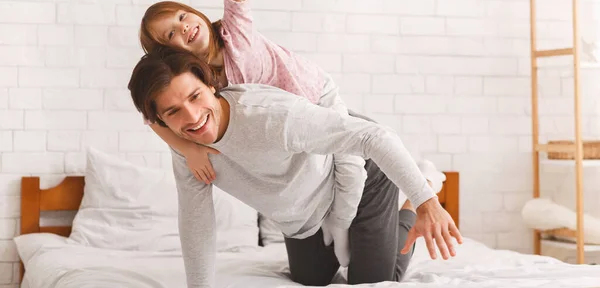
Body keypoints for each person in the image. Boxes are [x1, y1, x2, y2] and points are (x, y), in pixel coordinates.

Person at [138, 0, 367, 266]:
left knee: (352, 164)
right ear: (169, 53)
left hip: (316, 95)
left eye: (181, 17)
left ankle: (350, 221)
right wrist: (189, 148)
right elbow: (152, 116)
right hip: (294, 119)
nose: (184, 29)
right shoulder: (201, 85)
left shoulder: (234, 31)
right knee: (326, 170)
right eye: (171, 36)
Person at [127, 48, 463, 288]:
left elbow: (375, 136)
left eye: (195, 96)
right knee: (310, 279)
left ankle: (415, 196)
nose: (192, 117)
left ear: (210, 84)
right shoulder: (187, 149)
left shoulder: (273, 117)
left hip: (361, 176)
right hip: (305, 210)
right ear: (159, 122)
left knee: (372, 282)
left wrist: (425, 202)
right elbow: (196, 222)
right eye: (172, 112)